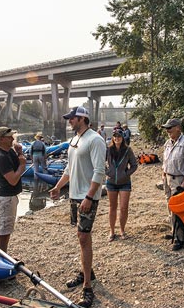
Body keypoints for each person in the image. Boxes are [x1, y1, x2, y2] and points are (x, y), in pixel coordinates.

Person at [49, 106, 106, 308]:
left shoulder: (95, 139)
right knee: (82, 236)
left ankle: (87, 287)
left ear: (82, 118)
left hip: (87, 197)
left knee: (83, 236)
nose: (69, 121)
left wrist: (90, 197)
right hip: (74, 196)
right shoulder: (74, 140)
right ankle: (87, 271)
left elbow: (100, 171)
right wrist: (58, 187)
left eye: (72, 118)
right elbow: (69, 168)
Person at [160, 118, 184, 251]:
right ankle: (174, 231)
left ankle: (180, 238)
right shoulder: (167, 143)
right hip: (168, 179)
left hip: (179, 180)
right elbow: (165, 160)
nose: (168, 131)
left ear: (178, 128)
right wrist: (163, 175)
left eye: (170, 128)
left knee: (180, 209)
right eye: (166, 128)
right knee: (170, 207)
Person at [0, 126, 26, 253]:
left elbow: (18, 163)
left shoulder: (9, 151)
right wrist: (22, 166)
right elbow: (12, 180)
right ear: (1, 139)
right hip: (5, 198)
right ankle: (2, 256)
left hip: (11, 197)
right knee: (4, 231)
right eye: (9, 137)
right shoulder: (1, 157)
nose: (12, 138)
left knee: (7, 229)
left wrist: (19, 152)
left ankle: (3, 255)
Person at [105, 129, 138, 242]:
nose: (117, 138)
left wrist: (126, 174)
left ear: (123, 137)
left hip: (124, 182)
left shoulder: (128, 150)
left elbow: (134, 165)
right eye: (115, 136)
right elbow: (99, 162)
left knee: (124, 208)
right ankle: (112, 231)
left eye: (119, 136)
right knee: (112, 207)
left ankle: (122, 230)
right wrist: (108, 172)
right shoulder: (108, 150)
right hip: (111, 182)